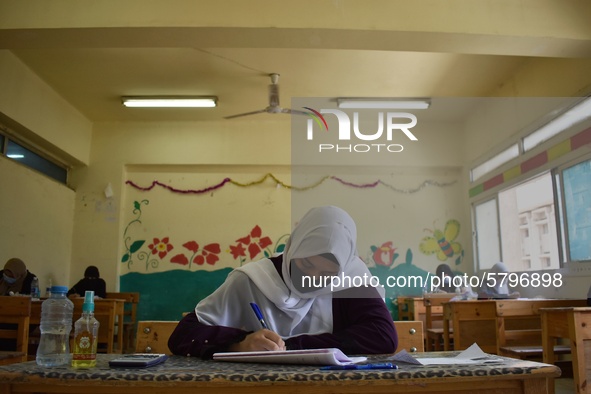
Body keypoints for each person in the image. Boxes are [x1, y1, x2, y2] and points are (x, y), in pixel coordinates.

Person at [168, 206, 398, 359]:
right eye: (306, 265)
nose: (313, 278)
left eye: (326, 274)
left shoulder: (351, 282)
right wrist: (239, 343)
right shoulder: (253, 279)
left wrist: (288, 347)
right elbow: (182, 335)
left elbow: (383, 337)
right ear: (293, 249)